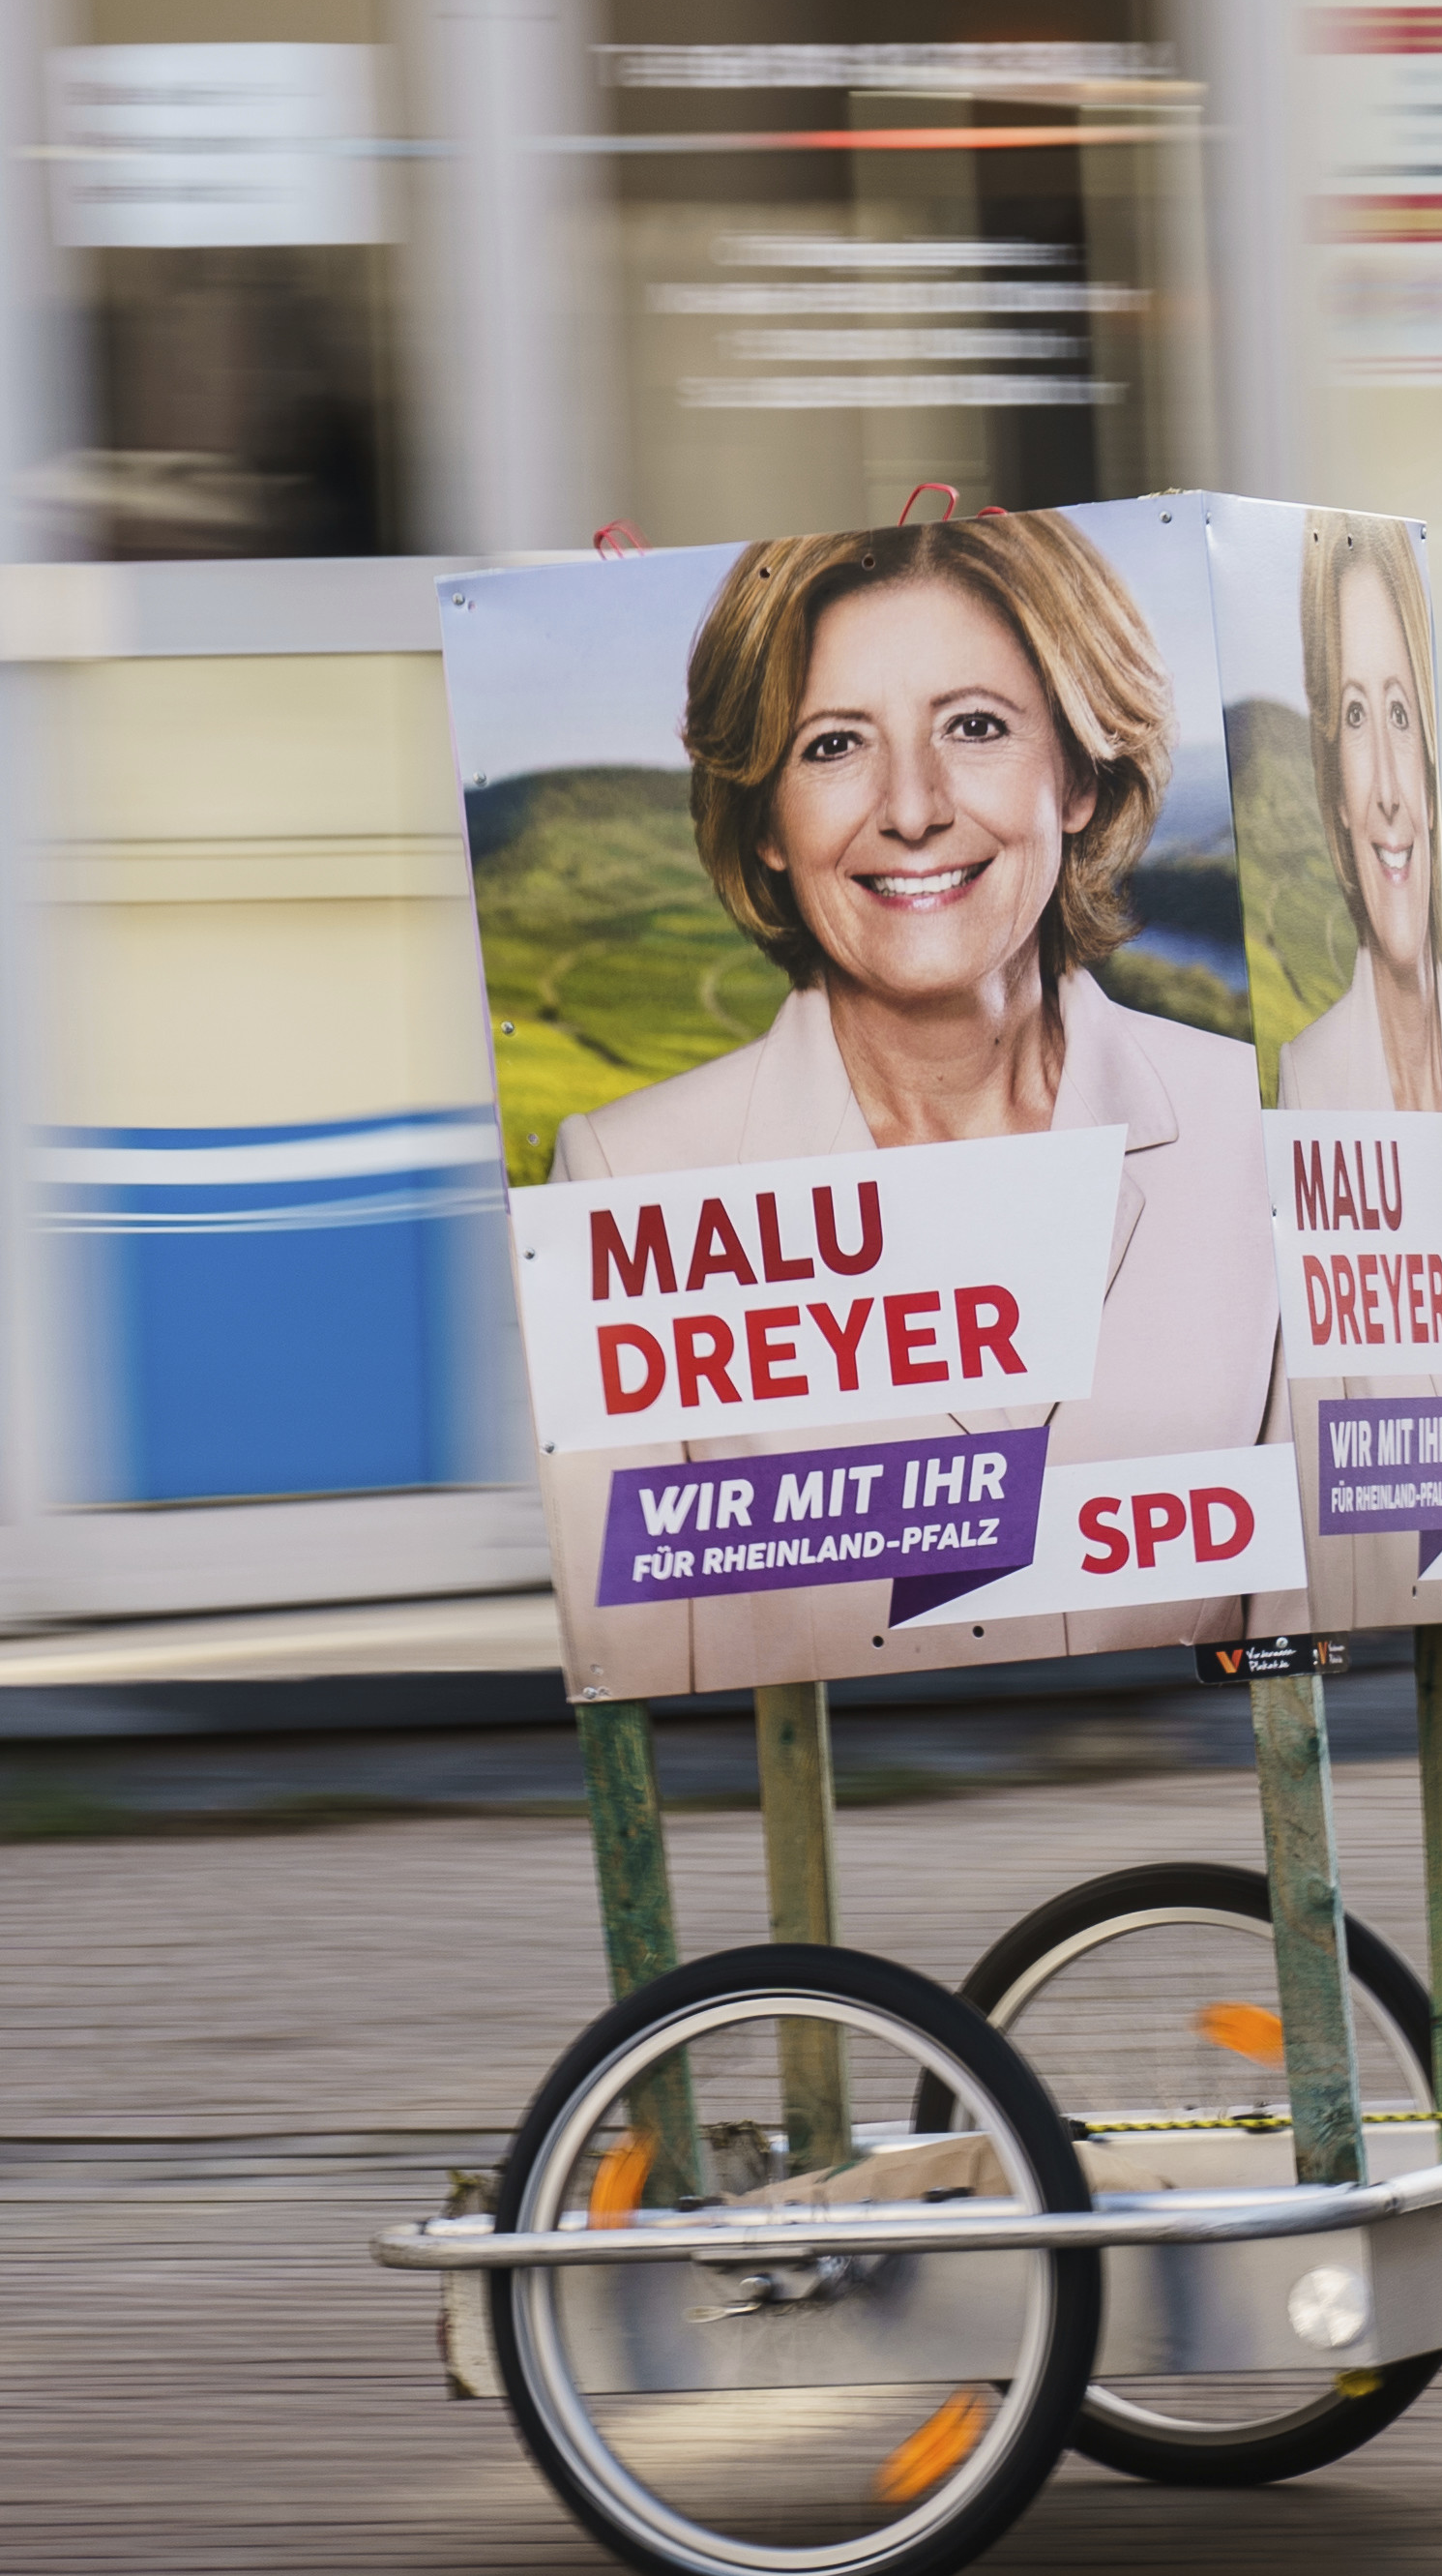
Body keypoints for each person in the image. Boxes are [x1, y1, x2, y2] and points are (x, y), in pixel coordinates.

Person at [544, 508, 1280, 1695]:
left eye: (976, 728)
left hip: (1174, 1811)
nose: (913, 807)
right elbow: (645, 1663)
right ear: (769, 821)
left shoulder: (1245, 1128)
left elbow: (1302, 1607)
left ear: (1079, 774)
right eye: (834, 745)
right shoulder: (635, 1177)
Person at [1272, 508, 1442, 1113]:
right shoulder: (1306, 1081)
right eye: (1354, 715)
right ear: (1336, 790)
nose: (1386, 794)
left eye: (1400, 714)